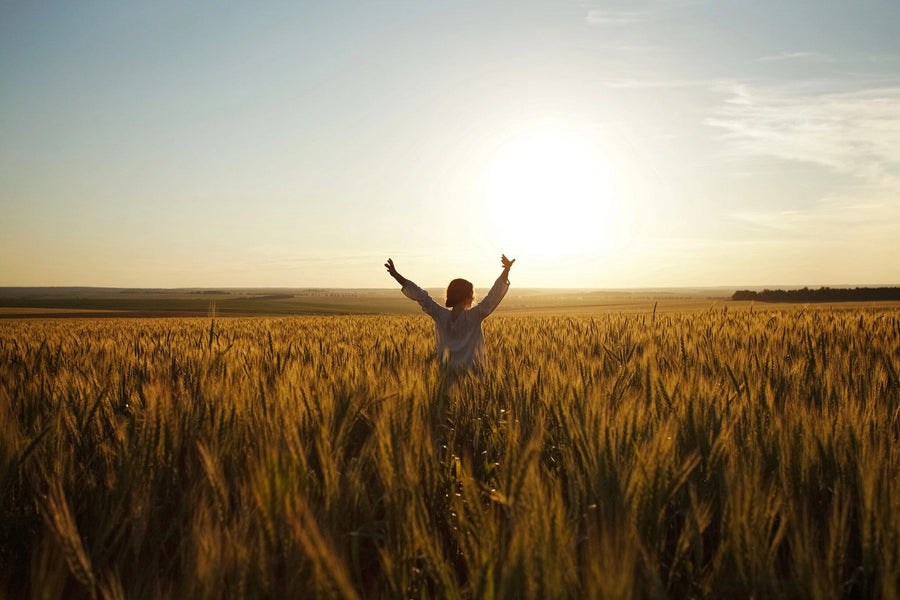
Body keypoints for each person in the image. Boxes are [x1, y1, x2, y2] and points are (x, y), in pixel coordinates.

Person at [385, 255, 515, 369]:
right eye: (472, 294)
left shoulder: (440, 315)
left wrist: (396, 275)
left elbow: (420, 295)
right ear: (466, 297)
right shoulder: (474, 316)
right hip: (472, 379)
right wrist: (506, 270)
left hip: (447, 379)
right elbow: (493, 297)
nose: (474, 298)